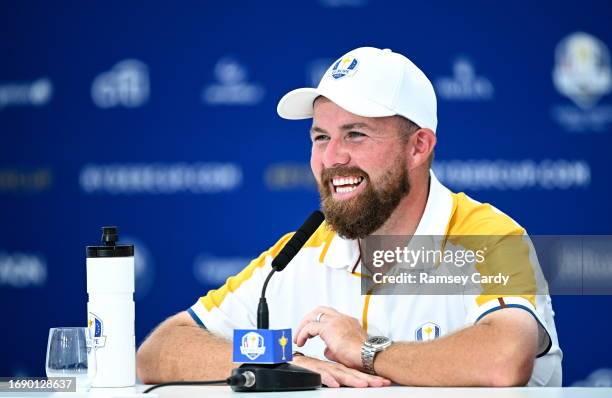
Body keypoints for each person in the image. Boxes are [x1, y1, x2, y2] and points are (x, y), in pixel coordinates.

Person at [136, 47, 562, 387]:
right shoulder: (299, 251)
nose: (332, 157)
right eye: (321, 137)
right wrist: (283, 359)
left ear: (418, 146)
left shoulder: (489, 235)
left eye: (356, 134)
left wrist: (367, 351)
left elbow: (503, 360)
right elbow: (159, 350)